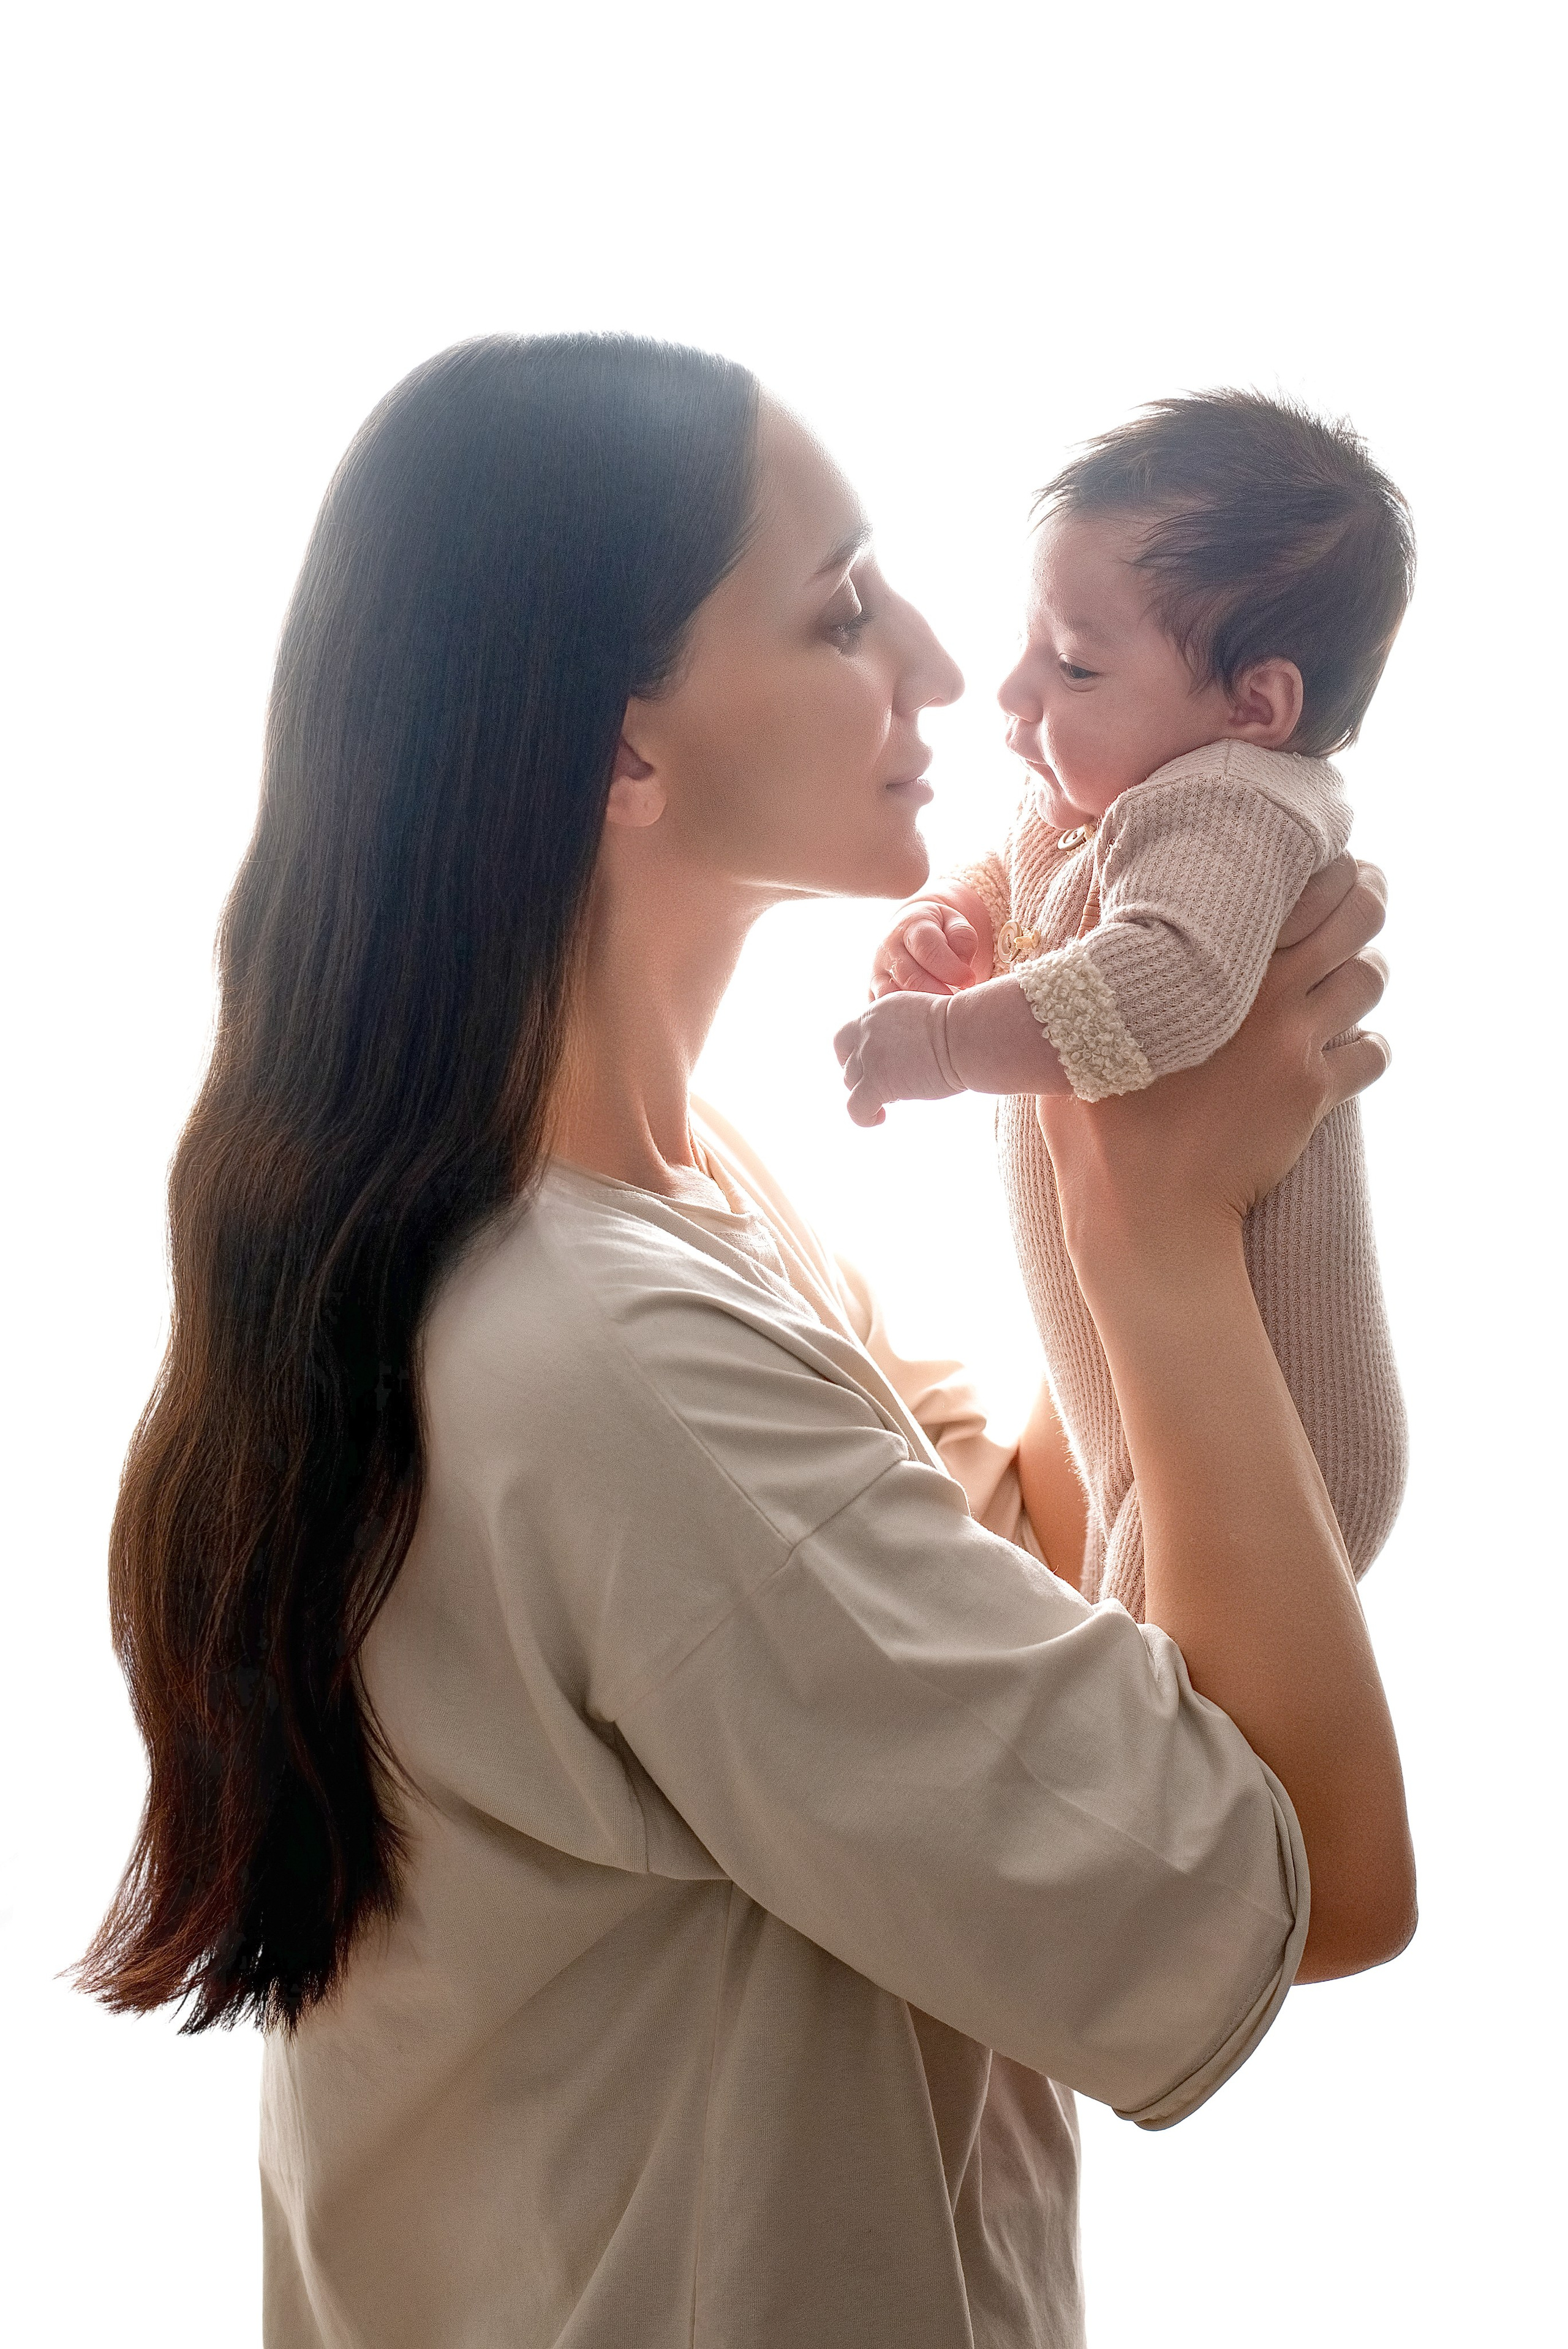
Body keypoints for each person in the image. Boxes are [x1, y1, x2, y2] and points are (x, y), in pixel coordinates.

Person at [78, 335, 1415, 2349]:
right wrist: (1159, 1236)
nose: (948, 671)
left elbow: (1045, 1573)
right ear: (623, 752)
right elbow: (1315, 1866)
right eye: (842, 608)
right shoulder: (612, 1360)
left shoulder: (673, 1197)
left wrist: (1149, 1130)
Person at [833, 392, 1412, 1619]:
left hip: (1273, 1427)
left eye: (1076, 664)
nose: (1012, 689)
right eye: (1030, 641)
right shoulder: (1106, 797)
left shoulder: (1233, 803)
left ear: (1254, 708)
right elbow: (1022, 876)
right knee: (1117, 1649)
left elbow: (1164, 989)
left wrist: (944, 1043)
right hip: (1150, 1398)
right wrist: (952, 919)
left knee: (1144, 1692)